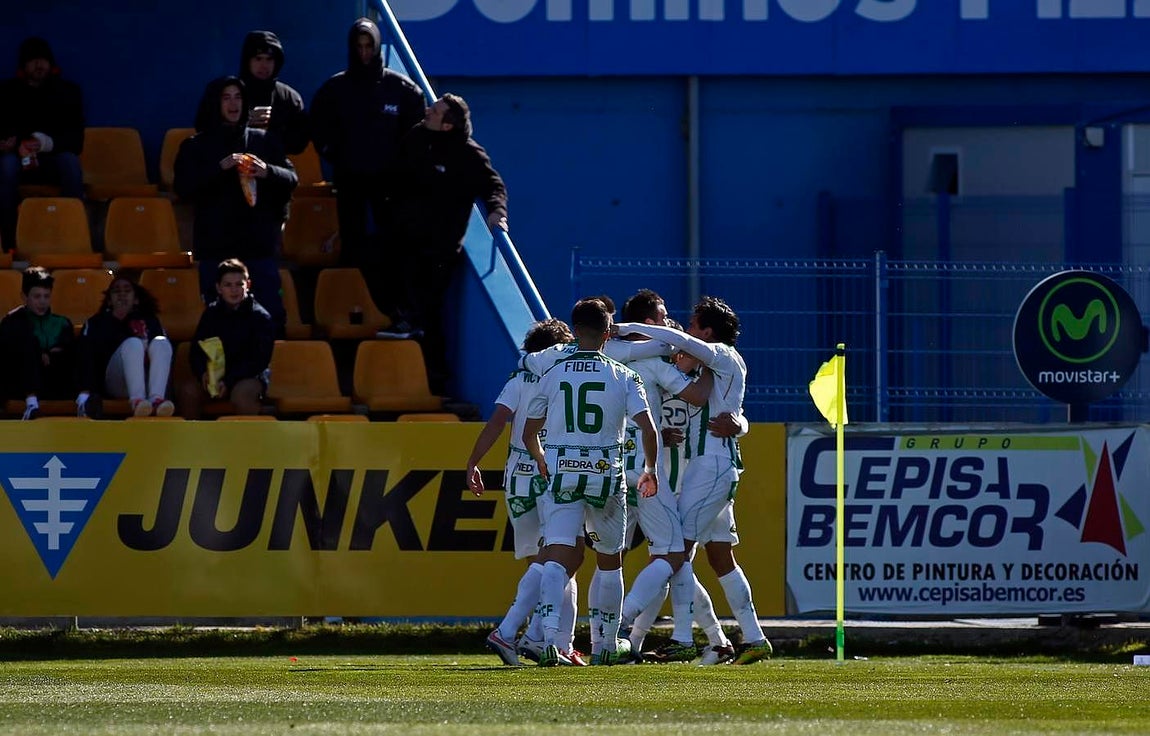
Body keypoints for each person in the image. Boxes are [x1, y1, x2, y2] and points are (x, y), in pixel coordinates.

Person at [615, 296, 773, 665]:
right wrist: (740, 424)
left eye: (691, 325)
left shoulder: (716, 354)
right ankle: (751, 638)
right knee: (718, 555)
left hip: (707, 468)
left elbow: (691, 362)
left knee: (676, 551)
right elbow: (726, 407)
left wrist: (627, 329)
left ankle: (668, 634)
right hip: (700, 469)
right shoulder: (704, 367)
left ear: (708, 332)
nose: (683, 331)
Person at [522, 298, 659, 666]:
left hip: (562, 472)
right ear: (607, 330)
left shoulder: (553, 372)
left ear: (575, 329)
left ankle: (549, 639)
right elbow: (648, 428)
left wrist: (540, 458)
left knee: (557, 552)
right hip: (605, 475)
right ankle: (606, 644)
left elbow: (529, 431)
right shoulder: (624, 375)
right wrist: (651, 469)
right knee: (610, 561)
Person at [465, 318, 586, 667]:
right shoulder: (564, 376)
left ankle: (547, 640)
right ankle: (533, 637)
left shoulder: (518, 379)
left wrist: (473, 461)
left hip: (517, 478)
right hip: (552, 475)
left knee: (550, 561)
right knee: (564, 559)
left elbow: (497, 421)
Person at [387, 94, 508, 392]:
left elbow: (494, 186)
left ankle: (436, 381)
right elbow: (396, 175)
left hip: (441, 246)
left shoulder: (470, 154)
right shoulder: (416, 137)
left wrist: (497, 212)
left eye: (436, 111)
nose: (428, 111)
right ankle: (403, 325)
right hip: (406, 238)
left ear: (448, 126)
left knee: (432, 312)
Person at [309, 17, 426, 310]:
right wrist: (337, 156)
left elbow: (416, 137)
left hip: (389, 184)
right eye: (358, 47)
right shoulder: (335, 90)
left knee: (393, 244)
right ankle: (348, 306)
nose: (363, 53)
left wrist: (398, 169)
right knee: (352, 242)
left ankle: (396, 310)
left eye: (368, 46)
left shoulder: (403, 90)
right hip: (350, 179)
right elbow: (319, 129)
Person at [174, 75, 297, 334]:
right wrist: (220, 168)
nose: (233, 104)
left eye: (238, 97)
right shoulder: (196, 146)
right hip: (216, 249)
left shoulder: (264, 141)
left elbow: (291, 178)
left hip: (258, 248)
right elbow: (184, 188)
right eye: (226, 98)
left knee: (270, 320)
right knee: (219, 327)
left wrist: (267, 171)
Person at [0, 37, 84, 252]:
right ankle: (8, 240)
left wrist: (45, 143)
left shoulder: (67, 92)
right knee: (7, 166)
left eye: (43, 60)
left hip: (52, 159)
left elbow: (75, 140)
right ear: (23, 65)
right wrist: (12, 143)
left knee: (70, 162)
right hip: (18, 159)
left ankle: (74, 233)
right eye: (33, 60)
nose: (39, 65)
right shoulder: (7, 92)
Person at [178, 259, 274, 419]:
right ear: (219, 288)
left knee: (242, 396)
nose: (234, 290)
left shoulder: (260, 317)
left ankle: (246, 441)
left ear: (248, 285)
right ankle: (193, 440)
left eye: (239, 284)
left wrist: (228, 381)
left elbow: (259, 361)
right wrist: (203, 373)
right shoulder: (210, 314)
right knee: (188, 392)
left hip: (247, 377)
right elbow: (196, 350)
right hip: (214, 376)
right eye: (228, 285)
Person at [78, 273, 173, 418]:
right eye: (116, 291)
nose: (122, 295)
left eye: (127, 291)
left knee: (161, 342)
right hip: (115, 383)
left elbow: (161, 355)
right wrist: (86, 390)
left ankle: (157, 399)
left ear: (135, 299)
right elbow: (86, 357)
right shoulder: (96, 323)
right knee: (133, 343)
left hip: (148, 380)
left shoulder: (149, 321)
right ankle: (137, 401)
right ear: (109, 300)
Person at [0, 267, 80, 419]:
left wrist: (49, 354)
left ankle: (85, 399)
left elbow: (65, 351)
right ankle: (31, 405)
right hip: (20, 385)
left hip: (53, 380)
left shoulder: (62, 323)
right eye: (37, 296)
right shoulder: (12, 322)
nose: (42, 302)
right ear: (24, 297)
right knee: (25, 342)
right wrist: (39, 353)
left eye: (46, 296)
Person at [237, 30, 309, 155]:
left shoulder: (289, 97)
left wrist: (275, 131)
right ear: (247, 61)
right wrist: (243, 122)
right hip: (234, 166)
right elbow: (208, 133)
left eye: (269, 59)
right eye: (258, 59)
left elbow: (299, 143)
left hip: (275, 168)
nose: (264, 65)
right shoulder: (230, 92)